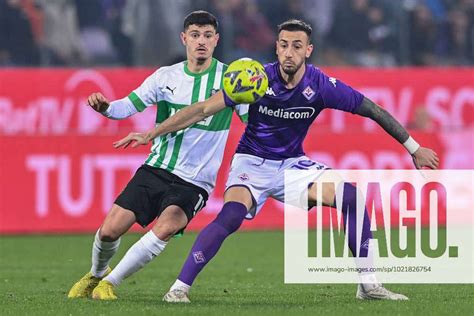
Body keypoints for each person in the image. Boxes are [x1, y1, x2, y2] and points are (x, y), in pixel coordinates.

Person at [115, 19, 439, 302]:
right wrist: (152, 132)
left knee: (351, 197)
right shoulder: (254, 79)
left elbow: (373, 110)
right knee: (230, 217)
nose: (288, 52)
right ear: (276, 47)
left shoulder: (321, 86)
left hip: (292, 165)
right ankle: (179, 288)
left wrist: (413, 147)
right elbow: (201, 109)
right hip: (250, 163)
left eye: (296, 46)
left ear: (308, 51)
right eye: (283, 45)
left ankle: (369, 285)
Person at [67, 10, 247, 300]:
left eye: (207, 35)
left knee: (166, 227)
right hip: (157, 168)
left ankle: (110, 283)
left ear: (216, 40)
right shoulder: (166, 77)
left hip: (196, 181)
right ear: (184, 38)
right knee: (110, 231)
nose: (201, 41)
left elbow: (250, 119)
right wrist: (104, 107)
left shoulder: (231, 79)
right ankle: (96, 274)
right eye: (195, 35)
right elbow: (125, 107)